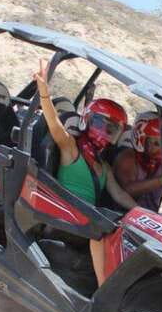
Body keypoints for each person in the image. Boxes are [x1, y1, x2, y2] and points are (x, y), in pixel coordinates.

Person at [33, 59, 136, 286]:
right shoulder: (71, 149)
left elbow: (120, 195)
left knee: (116, 231)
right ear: (89, 120)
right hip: (63, 220)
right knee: (100, 230)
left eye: (113, 130)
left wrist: (144, 214)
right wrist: (44, 94)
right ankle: (103, 291)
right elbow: (55, 125)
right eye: (102, 125)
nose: (106, 133)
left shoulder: (104, 166)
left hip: (84, 222)